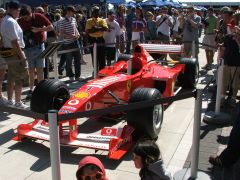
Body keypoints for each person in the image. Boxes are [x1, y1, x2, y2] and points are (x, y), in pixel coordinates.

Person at [18, 5, 54, 99]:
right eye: (24, 17)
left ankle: (40, 89)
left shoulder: (38, 16)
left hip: (39, 46)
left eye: (27, 16)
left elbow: (51, 27)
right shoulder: (20, 20)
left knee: (39, 69)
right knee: (30, 70)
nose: (26, 19)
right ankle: (31, 90)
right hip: (27, 48)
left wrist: (39, 30)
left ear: (31, 13)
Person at [0, 1, 28, 108]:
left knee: (11, 77)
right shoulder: (10, 22)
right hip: (14, 52)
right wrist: (22, 56)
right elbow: (14, 41)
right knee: (19, 77)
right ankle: (17, 101)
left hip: (8, 52)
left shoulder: (5, 21)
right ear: (14, 9)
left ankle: (11, 100)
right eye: (19, 10)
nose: (19, 12)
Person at [58, 6, 81, 81]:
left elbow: (75, 29)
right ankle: (70, 76)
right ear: (68, 11)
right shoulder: (62, 21)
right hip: (68, 44)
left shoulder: (74, 19)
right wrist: (70, 36)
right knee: (69, 61)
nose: (74, 13)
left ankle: (77, 76)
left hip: (75, 42)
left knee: (78, 59)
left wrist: (78, 34)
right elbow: (61, 33)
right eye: (72, 12)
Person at [219, 25, 240, 107]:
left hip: (237, 64)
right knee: (224, 82)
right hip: (227, 62)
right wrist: (221, 59)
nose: (235, 31)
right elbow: (224, 48)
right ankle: (222, 98)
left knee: (235, 83)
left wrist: (238, 40)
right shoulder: (228, 37)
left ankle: (233, 99)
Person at [85, 6, 108, 71]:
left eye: (97, 11)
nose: (96, 12)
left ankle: (102, 72)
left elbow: (105, 28)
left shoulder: (102, 20)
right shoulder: (89, 21)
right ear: (92, 12)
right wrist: (100, 28)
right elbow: (89, 31)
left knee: (102, 57)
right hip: (92, 40)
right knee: (94, 57)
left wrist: (95, 28)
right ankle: (95, 71)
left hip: (101, 39)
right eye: (95, 11)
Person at [0, 7, 8, 105]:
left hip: (3, 53)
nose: (2, 17)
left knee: (2, 76)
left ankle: (0, 95)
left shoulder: (4, 24)